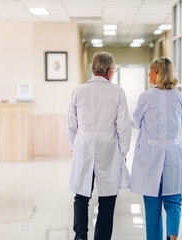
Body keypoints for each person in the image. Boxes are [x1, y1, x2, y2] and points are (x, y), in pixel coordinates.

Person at [66, 51, 131, 240]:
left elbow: (71, 125)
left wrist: (74, 148)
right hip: (109, 150)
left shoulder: (78, 91)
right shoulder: (117, 91)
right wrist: (123, 153)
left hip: (83, 148)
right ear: (110, 70)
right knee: (107, 199)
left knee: (81, 197)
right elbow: (124, 127)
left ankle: (80, 236)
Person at [130, 57, 182, 240]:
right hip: (173, 155)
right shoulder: (180, 97)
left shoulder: (146, 97)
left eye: (151, 71)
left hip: (150, 158)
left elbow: (137, 122)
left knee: (153, 205)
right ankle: (173, 235)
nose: (149, 75)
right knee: (173, 201)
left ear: (159, 73)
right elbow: (180, 123)